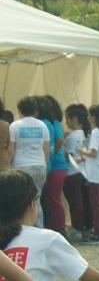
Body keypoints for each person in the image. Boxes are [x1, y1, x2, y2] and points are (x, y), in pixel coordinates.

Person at [8, 97, 50, 227]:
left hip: (21, 167)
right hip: (39, 166)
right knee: (36, 201)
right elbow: (46, 150)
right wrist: (45, 167)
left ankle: (23, 229)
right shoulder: (42, 125)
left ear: (19, 110)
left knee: (21, 201)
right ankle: (39, 229)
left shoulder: (14, 125)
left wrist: (8, 168)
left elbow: (11, 150)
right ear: (35, 110)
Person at [77, 105, 99, 245]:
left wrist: (81, 151)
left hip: (96, 173)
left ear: (93, 117)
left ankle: (98, 233)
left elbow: (93, 153)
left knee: (97, 204)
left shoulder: (96, 132)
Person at [62, 104, 92, 240]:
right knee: (85, 201)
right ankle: (87, 226)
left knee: (75, 203)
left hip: (71, 173)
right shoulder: (87, 134)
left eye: (67, 118)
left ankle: (77, 228)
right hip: (84, 172)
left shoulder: (72, 137)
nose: (66, 121)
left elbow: (67, 156)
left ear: (74, 119)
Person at [39, 96, 68, 234]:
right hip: (58, 166)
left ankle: (59, 228)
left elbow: (59, 140)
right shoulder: (55, 123)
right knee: (52, 199)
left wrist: (51, 152)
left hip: (56, 165)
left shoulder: (50, 123)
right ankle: (55, 227)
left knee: (53, 199)